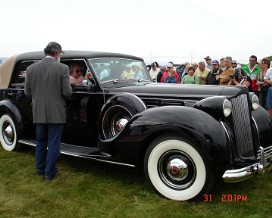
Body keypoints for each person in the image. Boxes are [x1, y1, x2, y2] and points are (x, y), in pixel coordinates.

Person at [24, 42, 72, 181]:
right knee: (53, 144)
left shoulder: (31, 68)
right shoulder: (63, 68)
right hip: (56, 112)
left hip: (38, 111)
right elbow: (67, 93)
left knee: (40, 142)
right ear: (56, 53)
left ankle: (40, 170)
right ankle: (50, 173)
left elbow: (27, 92)